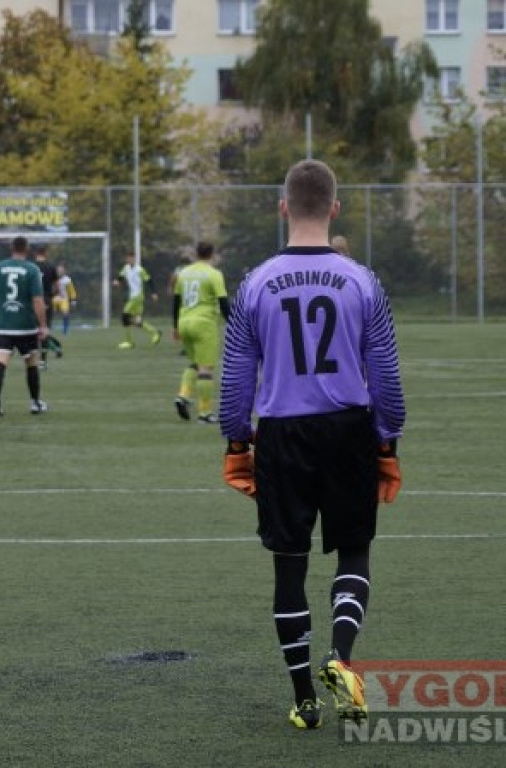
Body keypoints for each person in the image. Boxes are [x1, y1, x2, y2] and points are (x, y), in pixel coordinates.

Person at [218, 159, 406, 731]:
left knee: (289, 567)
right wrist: (387, 441)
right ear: (334, 209)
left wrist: (236, 441)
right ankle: (341, 659)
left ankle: (304, 700)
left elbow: (234, 379)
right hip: (348, 429)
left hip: (283, 434)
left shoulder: (254, 281)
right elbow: (387, 377)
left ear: (283, 208)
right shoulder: (362, 280)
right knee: (353, 551)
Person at [0, 235, 49, 416]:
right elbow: (37, 300)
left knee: (1, 360)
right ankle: (35, 402)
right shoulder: (32, 269)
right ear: (27, 249)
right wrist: (43, 325)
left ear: (11, 248)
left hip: (4, 324)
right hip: (25, 325)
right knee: (31, 362)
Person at [172, 242, 230, 424]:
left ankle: (183, 395)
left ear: (197, 254)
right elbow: (223, 303)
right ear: (212, 254)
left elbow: (176, 301)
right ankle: (205, 413)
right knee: (206, 368)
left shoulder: (184, 273)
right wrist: (234, 324)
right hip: (204, 323)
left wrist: (175, 327)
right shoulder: (214, 274)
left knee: (195, 363)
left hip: (184, 322)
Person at [112, 251, 162, 349]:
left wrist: (154, 293)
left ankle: (129, 342)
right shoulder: (126, 268)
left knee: (125, 316)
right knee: (136, 321)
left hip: (137, 297)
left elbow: (149, 280)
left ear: (134, 259)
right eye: (127, 258)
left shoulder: (139, 270)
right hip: (133, 297)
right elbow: (120, 277)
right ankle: (155, 332)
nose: (129, 260)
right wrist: (116, 282)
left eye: (131, 258)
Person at [32, 244, 62, 368]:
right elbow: (57, 287)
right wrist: (50, 296)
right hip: (46, 300)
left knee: (32, 330)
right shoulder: (51, 267)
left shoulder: (31, 267)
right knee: (44, 329)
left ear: (36, 254)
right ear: (46, 254)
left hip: (33, 300)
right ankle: (43, 361)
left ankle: (31, 358)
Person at [51, 262, 77, 335]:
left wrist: (73, 299)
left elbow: (72, 290)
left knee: (65, 314)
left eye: (61, 270)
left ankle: (65, 330)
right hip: (54, 298)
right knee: (49, 313)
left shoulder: (67, 280)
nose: (60, 272)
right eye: (59, 270)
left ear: (64, 271)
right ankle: (47, 327)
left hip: (63, 299)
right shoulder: (52, 278)